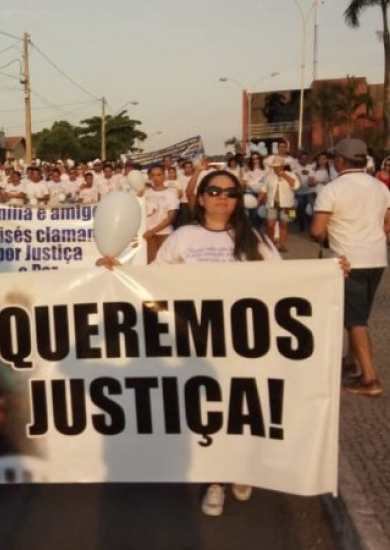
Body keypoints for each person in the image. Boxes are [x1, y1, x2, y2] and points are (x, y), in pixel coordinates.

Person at [101, 170, 280, 516]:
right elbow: (152, 280)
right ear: (200, 198)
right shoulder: (183, 237)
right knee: (210, 412)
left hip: (243, 342)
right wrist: (115, 271)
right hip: (196, 344)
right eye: (214, 191)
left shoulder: (255, 238)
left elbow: (286, 280)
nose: (222, 198)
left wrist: (333, 272)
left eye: (230, 192)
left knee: (241, 410)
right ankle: (216, 481)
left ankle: (241, 468)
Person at [310, 138, 390, 397]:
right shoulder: (378, 186)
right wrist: (374, 235)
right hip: (377, 258)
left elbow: (317, 230)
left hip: (348, 260)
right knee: (359, 315)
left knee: (355, 319)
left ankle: (370, 379)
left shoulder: (332, 189)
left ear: (340, 160)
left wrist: (329, 240)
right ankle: (351, 363)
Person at [258, 155, 300, 253]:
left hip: (288, 205)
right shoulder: (269, 177)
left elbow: (296, 187)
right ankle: (271, 244)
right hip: (272, 204)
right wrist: (257, 201)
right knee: (270, 225)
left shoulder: (292, 175)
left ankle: (282, 245)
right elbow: (263, 190)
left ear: (282, 166)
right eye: (274, 167)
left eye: (277, 167)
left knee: (284, 225)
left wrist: (284, 175)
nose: (276, 169)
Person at [142, 166, 180, 263]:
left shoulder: (171, 194)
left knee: (165, 262)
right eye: (153, 175)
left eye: (159, 175)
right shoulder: (146, 193)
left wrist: (153, 231)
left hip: (164, 233)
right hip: (148, 234)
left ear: (164, 176)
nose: (156, 178)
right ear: (150, 177)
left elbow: (171, 218)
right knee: (151, 262)